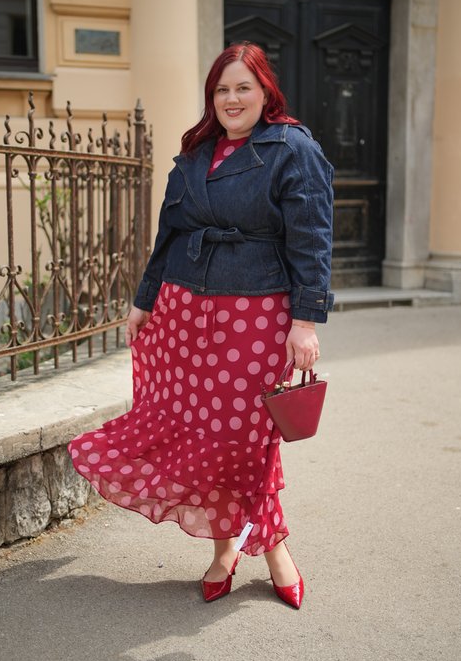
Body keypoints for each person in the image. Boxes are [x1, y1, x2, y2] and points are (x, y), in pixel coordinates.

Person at [68, 41, 334, 610]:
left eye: (243, 87)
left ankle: (273, 549)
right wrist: (145, 299)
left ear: (266, 92)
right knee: (207, 438)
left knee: (248, 438)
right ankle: (221, 551)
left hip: (256, 313)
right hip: (185, 310)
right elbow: (168, 233)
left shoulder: (291, 148)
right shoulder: (195, 153)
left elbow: (312, 237)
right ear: (210, 97)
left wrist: (306, 321)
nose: (231, 98)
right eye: (221, 89)